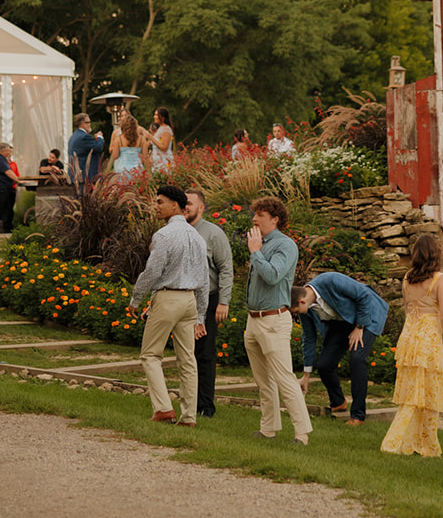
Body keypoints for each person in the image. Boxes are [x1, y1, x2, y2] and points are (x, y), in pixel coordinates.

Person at [128, 184, 209, 426]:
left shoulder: (163, 235)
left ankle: (164, 409)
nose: (156, 206)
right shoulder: (197, 237)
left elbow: (152, 271)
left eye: (160, 201)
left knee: (150, 355)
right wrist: (201, 315)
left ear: (175, 205)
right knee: (187, 360)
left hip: (168, 298)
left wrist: (136, 298)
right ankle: (189, 417)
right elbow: (204, 280)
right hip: (189, 301)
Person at [243, 195, 312, 444]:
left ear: (275, 219)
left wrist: (255, 252)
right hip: (254, 321)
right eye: (255, 213)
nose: (254, 218)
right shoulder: (260, 242)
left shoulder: (286, 245)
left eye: (260, 214)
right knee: (264, 381)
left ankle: (302, 434)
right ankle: (268, 429)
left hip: (274, 320)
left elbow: (272, 276)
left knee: (285, 379)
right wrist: (257, 249)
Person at [381, 235, 443, 456]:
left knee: (412, 392)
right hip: (429, 338)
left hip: (409, 335)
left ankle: (420, 443)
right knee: (427, 394)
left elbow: (407, 310)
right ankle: (399, 442)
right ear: (436, 254)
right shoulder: (440, 279)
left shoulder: (406, 279)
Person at [294, 271, 391, 426]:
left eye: (296, 312)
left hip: (367, 314)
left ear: (301, 302)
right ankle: (338, 402)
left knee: (357, 358)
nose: (296, 315)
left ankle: (358, 416)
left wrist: (360, 326)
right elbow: (309, 338)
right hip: (343, 321)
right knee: (325, 365)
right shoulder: (306, 310)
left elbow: (364, 295)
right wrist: (306, 375)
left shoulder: (330, 279)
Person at [183, 188, 233, 418]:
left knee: (204, 354)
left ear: (201, 208)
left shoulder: (214, 234)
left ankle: (205, 406)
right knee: (185, 353)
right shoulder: (175, 231)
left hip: (209, 301)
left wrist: (224, 301)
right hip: (181, 300)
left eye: (191, 203)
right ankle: (188, 402)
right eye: (184, 203)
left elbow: (225, 269)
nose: (186, 206)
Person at [67, 114, 104, 193]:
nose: (90, 124)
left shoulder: (73, 136)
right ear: (83, 124)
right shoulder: (84, 137)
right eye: (88, 122)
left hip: (76, 176)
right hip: (84, 177)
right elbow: (98, 148)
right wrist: (100, 137)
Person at [110, 109, 147, 175]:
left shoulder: (118, 139)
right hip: (137, 170)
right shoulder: (142, 139)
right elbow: (145, 157)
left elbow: (115, 156)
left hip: (123, 170)